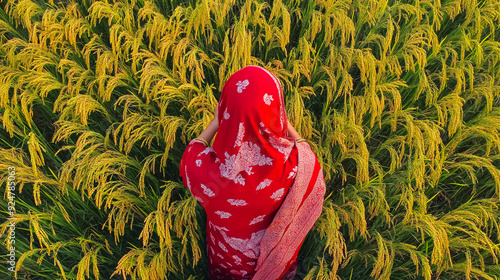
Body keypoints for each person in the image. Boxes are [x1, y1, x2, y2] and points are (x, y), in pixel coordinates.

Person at [179, 65, 326, 280]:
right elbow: (306, 150)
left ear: (225, 109)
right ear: (277, 110)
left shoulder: (202, 170)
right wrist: (283, 122)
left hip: (225, 254)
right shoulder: (293, 167)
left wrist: (216, 121)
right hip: (270, 253)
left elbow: (193, 150)